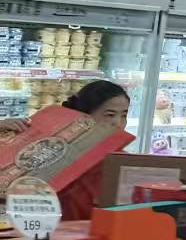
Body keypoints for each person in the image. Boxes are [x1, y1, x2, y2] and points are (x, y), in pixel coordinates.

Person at [0, 80, 130, 220]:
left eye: (124, 115)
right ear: (84, 115)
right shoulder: (49, 146)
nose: (118, 123)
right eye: (110, 115)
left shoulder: (119, 160)